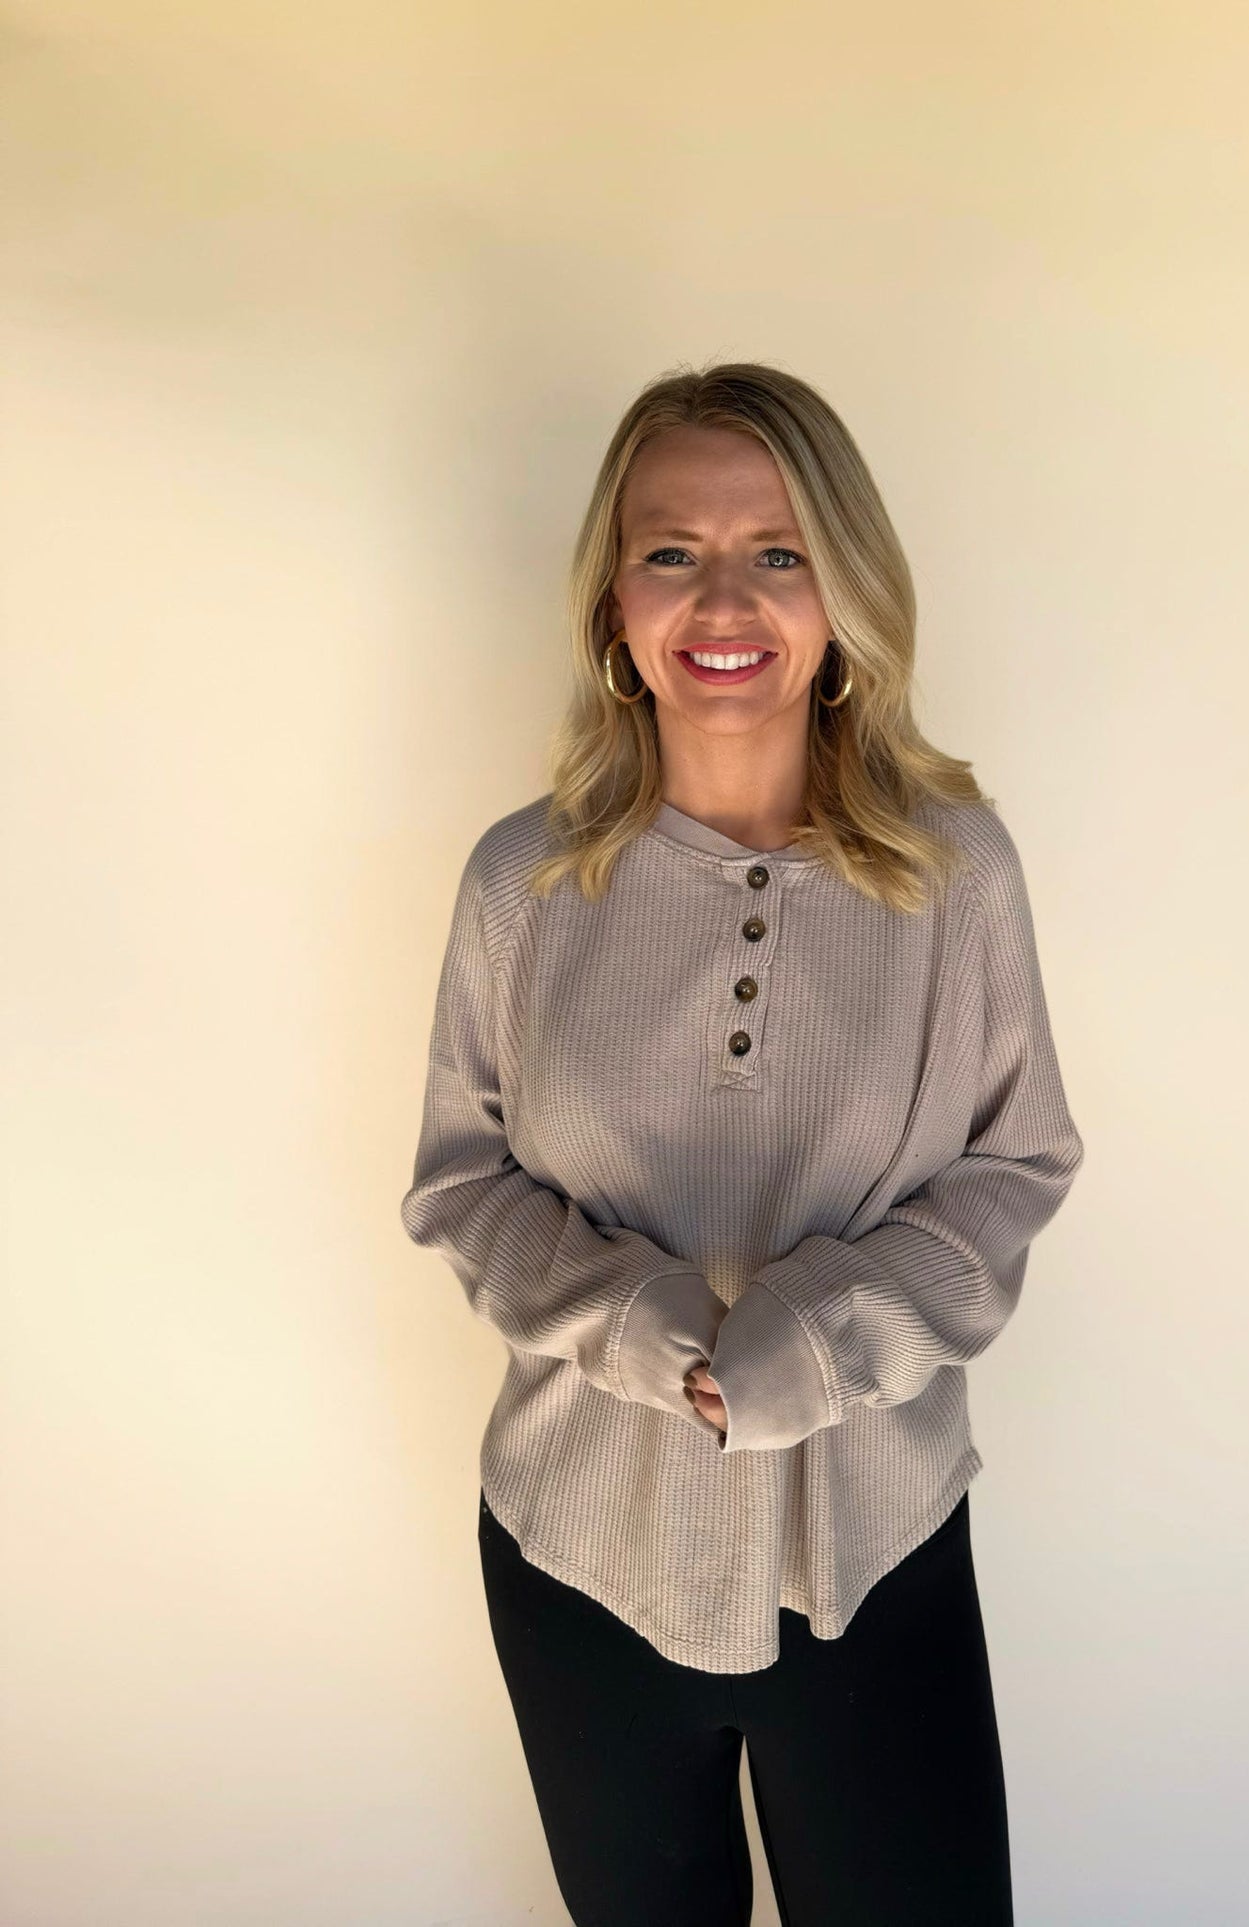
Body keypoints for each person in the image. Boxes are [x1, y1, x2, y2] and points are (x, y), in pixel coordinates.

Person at [400, 360, 1085, 1926]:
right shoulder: (523, 884)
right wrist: (641, 1326)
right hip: (581, 1553)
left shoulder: (952, 873)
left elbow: (1013, 1164)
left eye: (778, 550)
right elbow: (461, 1179)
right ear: (612, 601)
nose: (725, 597)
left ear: (841, 590)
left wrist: (821, 1334)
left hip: (874, 1556)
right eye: (672, 550)